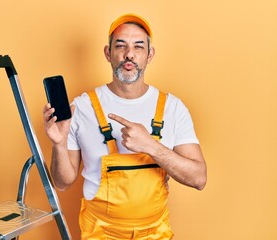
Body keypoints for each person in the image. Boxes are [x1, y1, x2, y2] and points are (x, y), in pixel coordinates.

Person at [43, 13, 207, 240]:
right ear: (108, 53)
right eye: (121, 45)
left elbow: (199, 178)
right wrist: (59, 144)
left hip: (155, 233)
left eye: (138, 46)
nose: (129, 54)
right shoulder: (81, 107)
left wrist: (151, 146)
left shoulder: (173, 108)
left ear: (150, 54)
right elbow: (62, 182)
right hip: (99, 233)